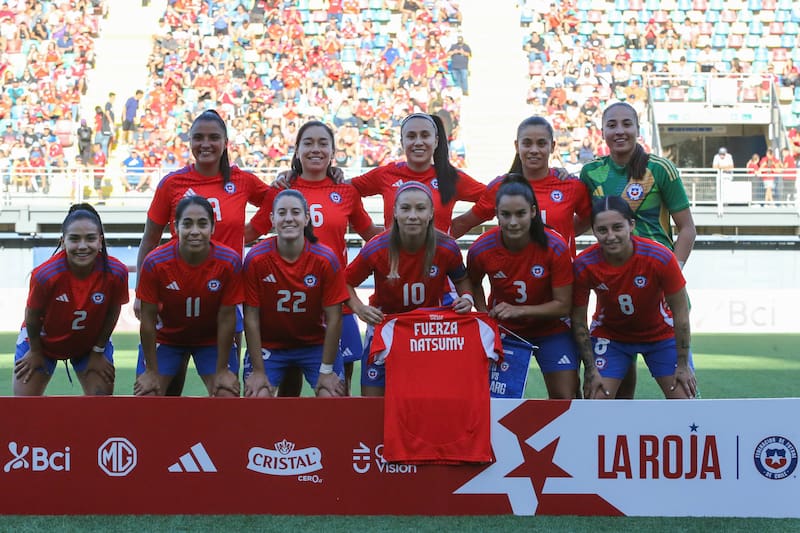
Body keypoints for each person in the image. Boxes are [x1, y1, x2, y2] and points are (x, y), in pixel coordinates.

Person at [135, 109, 272, 395]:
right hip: (175, 293)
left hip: (225, 293)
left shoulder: (242, 180)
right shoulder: (172, 184)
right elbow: (149, 241)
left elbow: (276, 202)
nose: (205, 144)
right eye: (198, 137)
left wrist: (250, 233)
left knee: (226, 386)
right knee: (168, 386)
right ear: (189, 142)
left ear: (225, 142)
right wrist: (140, 291)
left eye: (213, 137)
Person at [245, 121, 380, 394]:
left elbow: (374, 239)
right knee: (286, 391)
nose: (315, 149)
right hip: (286, 308)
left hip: (335, 304)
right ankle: (283, 439)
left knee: (339, 388)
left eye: (323, 143)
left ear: (333, 151)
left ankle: (332, 438)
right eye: (308, 143)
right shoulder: (280, 190)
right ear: (296, 151)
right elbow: (248, 235)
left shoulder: (346, 191)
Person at [578, 101, 696, 399]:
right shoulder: (591, 173)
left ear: (637, 129)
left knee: (684, 397)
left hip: (656, 284)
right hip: (616, 287)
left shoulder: (660, 169)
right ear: (602, 132)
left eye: (626, 124)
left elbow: (687, 228)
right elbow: (581, 222)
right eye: (612, 125)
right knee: (615, 398)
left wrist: (673, 270)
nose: (620, 131)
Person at [345, 181, 475, 397]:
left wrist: (468, 298)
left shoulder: (446, 246)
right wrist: (359, 308)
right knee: (372, 402)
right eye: (405, 208)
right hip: (384, 326)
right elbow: (344, 282)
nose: (413, 215)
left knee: (427, 398)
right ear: (395, 212)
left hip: (427, 332)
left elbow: (462, 279)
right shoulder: (377, 248)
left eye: (420, 208)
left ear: (431, 212)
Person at [571, 196, 696, 400]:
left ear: (631, 225)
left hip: (660, 336)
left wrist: (683, 365)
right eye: (602, 230)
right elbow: (578, 320)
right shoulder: (584, 264)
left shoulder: (660, 257)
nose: (611, 236)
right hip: (611, 337)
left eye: (617, 227)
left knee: (685, 400)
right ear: (593, 231)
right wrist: (591, 369)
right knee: (597, 399)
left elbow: (681, 313)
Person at [277, 113, 486, 235]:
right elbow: (337, 189)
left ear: (437, 141)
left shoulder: (451, 177)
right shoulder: (386, 174)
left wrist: (461, 224)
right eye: (411, 136)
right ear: (402, 142)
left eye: (425, 136)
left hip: (439, 269)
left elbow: (494, 197)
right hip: (393, 273)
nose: (418, 142)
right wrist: (296, 175)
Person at [467, 175, 578, 399]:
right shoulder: (481, 249)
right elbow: (473, 282)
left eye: (520, 214)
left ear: (533, 212)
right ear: (496, 214)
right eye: (505, 215)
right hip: (508, 331)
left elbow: (564, 306)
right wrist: (484, 316)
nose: (513, 222)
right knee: (500, 399)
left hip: (552, 329)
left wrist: (520, 310)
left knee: (565, 397)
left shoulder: (554, 246)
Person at [242, 190, 349, 398]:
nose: (289, 218)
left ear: (306, 218)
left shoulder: (325, 258)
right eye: (282, 213)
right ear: (272, 219)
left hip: (314, 344)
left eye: (295, 212)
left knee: (332, 396)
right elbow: (251, 318)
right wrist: (258, 370)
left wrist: (326, 372)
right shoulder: (256, 258)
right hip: (270, 346)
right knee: (258, 395)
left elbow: (334, 317)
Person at [14, 204, 129, 396]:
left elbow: (112, 312)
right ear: (63, 241)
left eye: (90, 238)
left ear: (100, 241)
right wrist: (34, 351)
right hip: (41, 342)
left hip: (89, 343)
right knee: (24, 406)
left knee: (101, 402)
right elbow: (32, 316)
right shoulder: (45, 275)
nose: (82, 246)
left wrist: (98, 350)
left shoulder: (116, 272)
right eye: (74, 239)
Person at [134, 195, 243, 397]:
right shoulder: (155, 262)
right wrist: (150, 371)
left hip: (211, 340)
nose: (195, 231)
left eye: (202, 224)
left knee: (226, 392)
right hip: (166, 338)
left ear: (212, 228)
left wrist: (221, 371)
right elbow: (147, 320)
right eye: (187, 224)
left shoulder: (229, 262)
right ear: (176, 227)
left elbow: (228, 317)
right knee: (147, 393)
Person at [451, 116, 591, 256]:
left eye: (541, 143)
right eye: (527, 143)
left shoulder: (571, 185)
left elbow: (589, 219)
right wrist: (433, 248)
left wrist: (561, 233)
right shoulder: (501, 187)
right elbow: (463, 223)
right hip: (514, 275)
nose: (534, 150)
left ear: (552, 146)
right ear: (517, 146)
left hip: (561, 275)